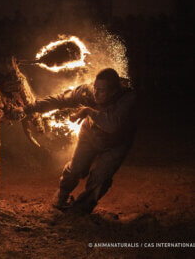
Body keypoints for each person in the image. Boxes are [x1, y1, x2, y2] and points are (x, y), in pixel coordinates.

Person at [15, 68, 137, 214]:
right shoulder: (88, 92)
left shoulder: (128, 99)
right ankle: (62, 195)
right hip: (90, 135)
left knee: (100, 179)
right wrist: (29, 108)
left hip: (117, 144)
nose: (96, 94)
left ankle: (81, 210)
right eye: (95, 88)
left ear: (113, 92)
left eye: (101, 91)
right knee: (76, 168)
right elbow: (60, 100)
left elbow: (112, 125)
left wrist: (88, 111)